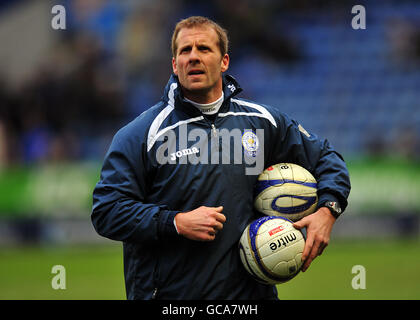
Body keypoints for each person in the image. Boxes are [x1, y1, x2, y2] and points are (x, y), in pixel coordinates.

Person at [91, 16, 351, 300]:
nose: (193, 57)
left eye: (203, 49)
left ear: (224, 61)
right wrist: (175, 222)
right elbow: (107, 211)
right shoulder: (142, 134)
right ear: (174, 65)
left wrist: (327, 211)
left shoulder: (262, 122)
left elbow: (326, 158)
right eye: (185, 51)